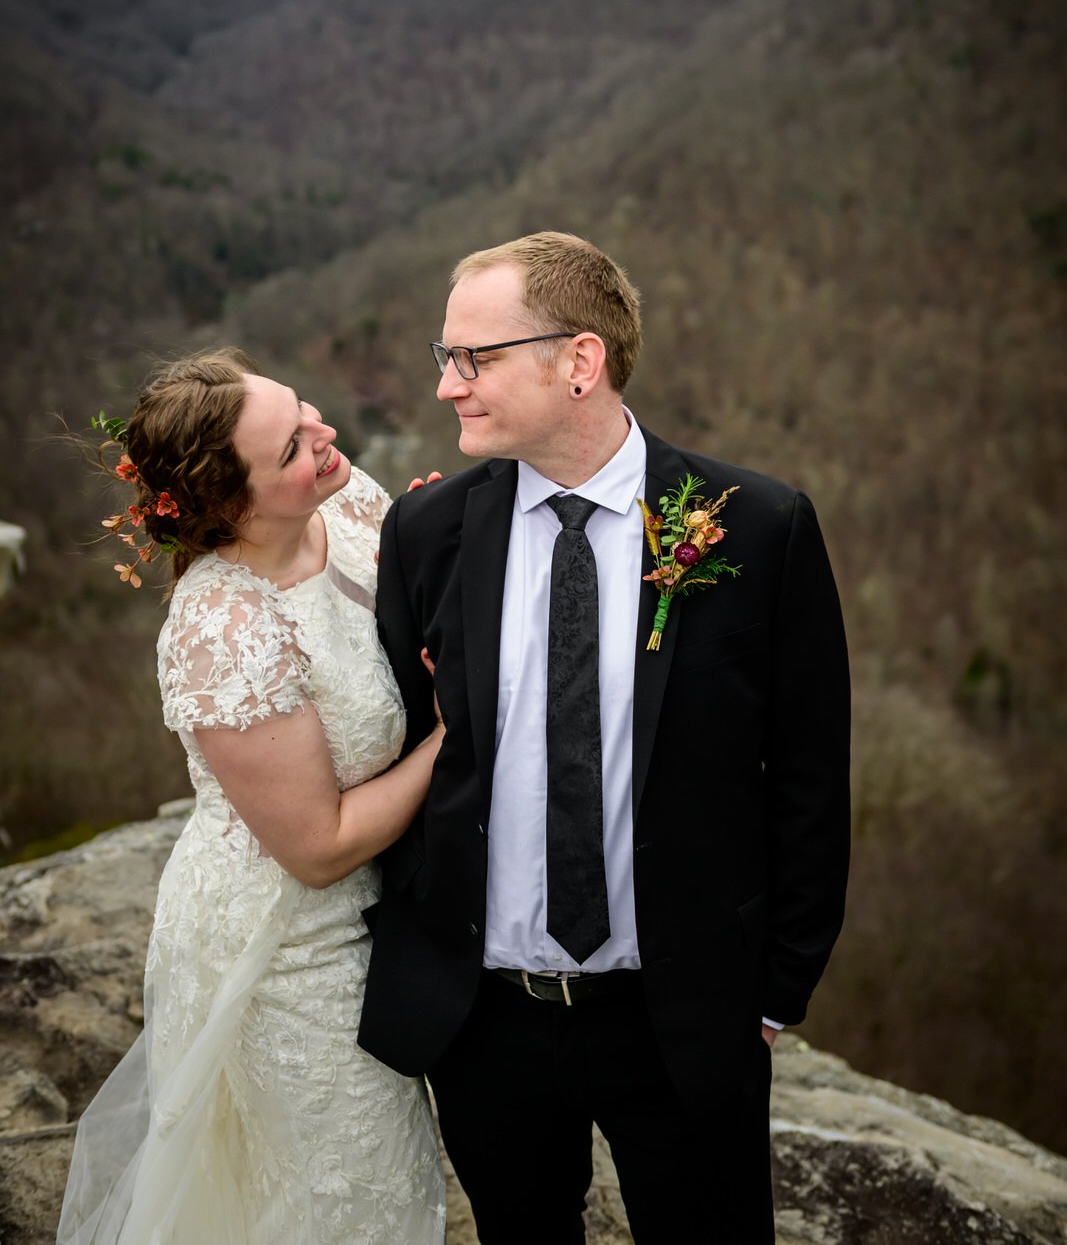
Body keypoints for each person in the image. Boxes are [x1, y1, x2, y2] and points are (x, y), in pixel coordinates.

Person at [360, 232, 851, 1243]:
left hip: (679, 1016)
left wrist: (773, 989)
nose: (449, 386)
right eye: (444, 357)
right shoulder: (426, 533)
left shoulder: (754, 527)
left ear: (577, 362)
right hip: (486, 1017)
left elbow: (806, 773)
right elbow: (413, 748)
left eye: (474, 358)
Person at [58, 348, 446, 1245]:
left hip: (381, 914)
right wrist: (454, 739)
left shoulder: (345, 500)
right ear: (230, 506)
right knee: (341, 1193)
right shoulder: (220, 627)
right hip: (284, 946)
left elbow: (411, 633)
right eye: (290, 449)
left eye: (305, 411)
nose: (324, 436)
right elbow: (316, 847)